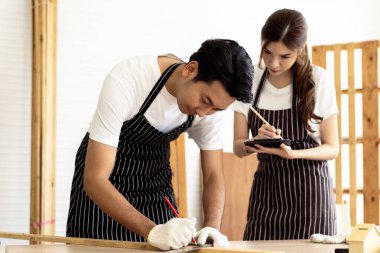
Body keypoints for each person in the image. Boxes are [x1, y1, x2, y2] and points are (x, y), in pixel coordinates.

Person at [66, 39, 254, 250]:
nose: (204, 113)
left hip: (154, 186)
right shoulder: (128, 79)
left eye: (216, 109)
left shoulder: (210, 108)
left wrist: (212, 228)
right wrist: (152, 231)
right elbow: (95, 179)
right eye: (204, 100)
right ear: (190, 69)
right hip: (103, 191)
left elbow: (212, 176)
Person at [232, 9, 339, 240]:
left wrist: (294, 154)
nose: (273, 63)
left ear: (300, 50)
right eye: (267, 52)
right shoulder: (249, 80)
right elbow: (238, 148)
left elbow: (332, 148)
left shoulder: (318, 79)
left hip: (312, 199)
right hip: (267, 196)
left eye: (284, 56)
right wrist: (254, 142)